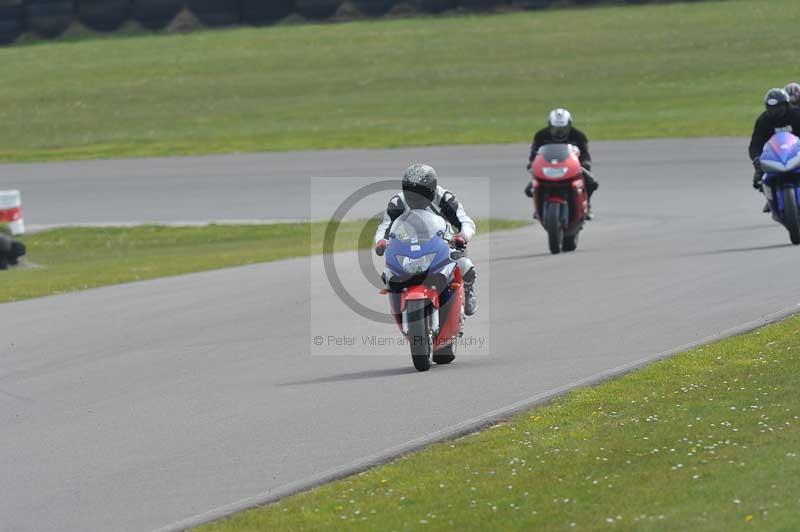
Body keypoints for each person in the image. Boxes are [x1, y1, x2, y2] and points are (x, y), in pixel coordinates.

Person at [374, 164, 478, 316]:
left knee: (465, 265)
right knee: (388, 273)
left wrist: (462, 236)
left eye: (421, 193)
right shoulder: (398, 202)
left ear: (432, 189)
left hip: (442, 243)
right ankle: (398, 305)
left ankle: (468, 291)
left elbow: (466, 222)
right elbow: (385, 227)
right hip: (408, 246)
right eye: (411, 192)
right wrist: (381, 241)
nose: (415, 197)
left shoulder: (444, 198)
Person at [524, 109, 599, 218]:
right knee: (530, 190)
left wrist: (585, 164)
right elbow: (533, 153)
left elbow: (585, 155)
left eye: (563, 129)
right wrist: (532, 163)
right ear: (550, 125)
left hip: (571, 167)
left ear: (569, 125)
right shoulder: (541, 135)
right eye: (556, 129)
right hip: (547, 167)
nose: (559, 133)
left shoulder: (578, 136)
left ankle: (587, 206)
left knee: (591, 183)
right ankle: (539, 209)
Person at [748, 89, 800, 213]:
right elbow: (755, 145)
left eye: (778, 108)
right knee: (759, 176)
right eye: (771, 108)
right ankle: (771, 196)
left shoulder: (797, 115)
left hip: (797, 153)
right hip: (775, 156)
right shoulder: (763, 120)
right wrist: (756, 159)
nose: (774, 111)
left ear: (786, 105)